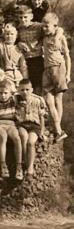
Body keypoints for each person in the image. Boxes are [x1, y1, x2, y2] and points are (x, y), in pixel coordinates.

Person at [41, 13, 70, 142]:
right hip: (47, 69)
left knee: (58, 100)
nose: (44, 28)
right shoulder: (44, 36)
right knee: (48, 100)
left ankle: (57, 129)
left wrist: (68, 73)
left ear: (54, 26)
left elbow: (67, 56)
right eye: (43, 26)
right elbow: (56, 28)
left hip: (58, 67)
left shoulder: (60, 37)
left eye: (47, 26)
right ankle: (58, 129)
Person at [0, 80, 23, 180]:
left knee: (17, 138)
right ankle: (3, 165)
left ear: (10, 92)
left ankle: (19, 166)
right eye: (1, 93)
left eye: (5, 93)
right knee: (3, 137)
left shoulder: (13, 99)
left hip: (11, 124)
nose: (3, 95)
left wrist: (13, 89)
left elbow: (21, 92)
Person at [16, 79, 47, 177]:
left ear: (31, 90)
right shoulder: (16, 99)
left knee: (31, 142)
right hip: (22, 124)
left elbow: (42, 117)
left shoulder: (38, 100)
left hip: (34, 125)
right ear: (18, 90)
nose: (24, 92)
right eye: (22, 90)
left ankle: (30, 167)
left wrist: (42, 131)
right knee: (23, 137)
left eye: (27, 89)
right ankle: (25, 161)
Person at [16, 5, 44, 93]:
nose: (23, 20)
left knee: (38, 84)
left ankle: (39, 103)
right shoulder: (18, 28)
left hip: (37, 58)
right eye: (20, 17)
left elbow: (53, 30)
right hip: (25, 60)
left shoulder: (38, 26)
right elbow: (14, 40)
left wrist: (41, 44)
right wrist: (19, 43)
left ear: (31, 16)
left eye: (25, 17)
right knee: (27, 84)